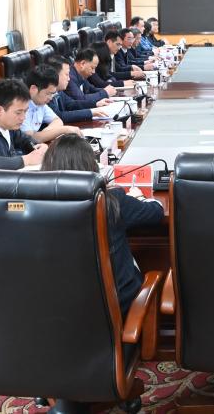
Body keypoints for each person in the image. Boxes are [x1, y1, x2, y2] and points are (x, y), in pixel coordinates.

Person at [40, 134, 163, 313]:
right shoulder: (112, 201)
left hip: (57, 313)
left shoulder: (35, 211)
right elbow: (156, 212)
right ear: (92, 167)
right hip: (118, 310)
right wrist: (138, 198)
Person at [21, 64, 86, 140]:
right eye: (48, 94)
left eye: (52, 94)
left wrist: (44, 134)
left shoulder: (40, 103)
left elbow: (58, 121)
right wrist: (64, 130)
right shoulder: (21, 107)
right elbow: (32, 138)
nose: (51, 98)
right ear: (33, 89)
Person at [47, 56, 113, 124]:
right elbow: (60, 116)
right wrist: (90, 112)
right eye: (66, 75)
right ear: (55, 75)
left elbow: (71, 104)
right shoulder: (46, 94)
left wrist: (95, 104)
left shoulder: (59, 91)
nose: (69, 79)